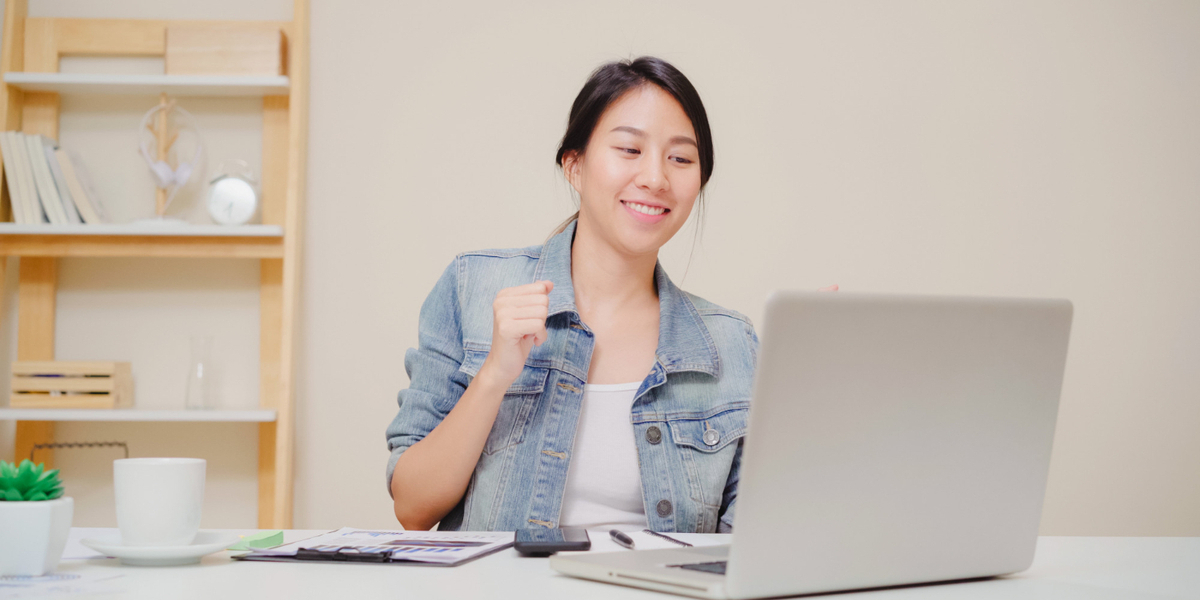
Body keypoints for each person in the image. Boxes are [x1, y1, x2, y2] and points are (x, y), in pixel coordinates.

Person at [385, 56, 760, 533]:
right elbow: (413, 508)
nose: (656, 178)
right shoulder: (472, 287)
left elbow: (747, 545)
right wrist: (494, 375)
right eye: (629, 149)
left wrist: (814, 405)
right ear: (574, 165)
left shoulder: (731, 343)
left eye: (681, 158)